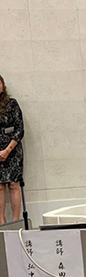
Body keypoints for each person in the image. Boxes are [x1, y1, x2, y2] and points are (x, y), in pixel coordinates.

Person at [0, 74, 24, 225]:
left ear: (3, 85)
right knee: (0, 186)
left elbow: (20, 129)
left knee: (14, 184)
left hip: (13, 150)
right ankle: (1, 223)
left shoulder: (12, 104)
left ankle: (16, 222)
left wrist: (7, 150)